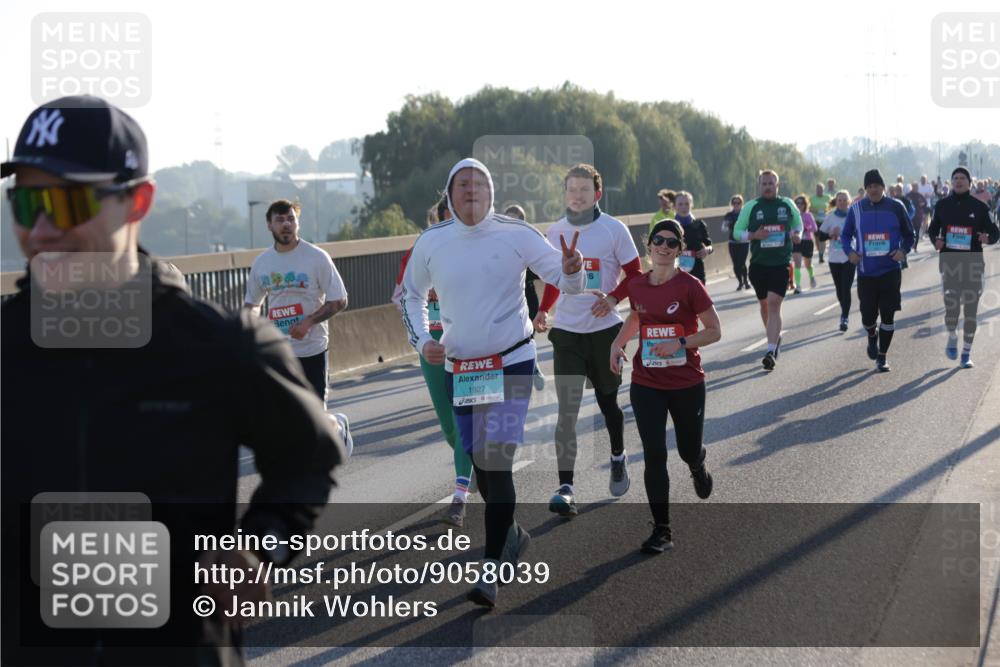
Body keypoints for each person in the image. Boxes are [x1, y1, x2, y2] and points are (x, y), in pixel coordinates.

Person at [0, 96, 344, 665]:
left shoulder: (218, 346)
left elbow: (310, 456)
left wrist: (259, 550)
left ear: (138, 201)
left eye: (67, 202)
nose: (40, 229)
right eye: (26, 201)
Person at [400, 157, 585, 608]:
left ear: (491, 193)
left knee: (496, 463)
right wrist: (423, 340)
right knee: (482, 470)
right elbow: (410, 295)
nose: (470, 191)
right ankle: (514, 536)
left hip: (511, 361)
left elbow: (568, 283)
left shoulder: (516, 234)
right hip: (461, 370)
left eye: (478, 184)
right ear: (449, 193)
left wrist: (574, 267)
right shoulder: (432, 242)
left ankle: (491, 571)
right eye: (461, 184)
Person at [532, 164, 642, 516]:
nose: (576, 195)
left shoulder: (613, 230)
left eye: (584, 189)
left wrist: (612, 299)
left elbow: (636, 275)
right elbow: (552, 278)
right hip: (566, 332)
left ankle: (617, 456)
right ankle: (566, 487)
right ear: (565, 194)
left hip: (605, 332)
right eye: (571, 189)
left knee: (609, 404)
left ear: (597, 193)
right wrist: (543, 310)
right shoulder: (555, 232)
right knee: (566, 411)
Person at [609, 219, 721, 553]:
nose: (664, 246)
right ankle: (662, 529)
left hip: (687, 381)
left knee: (687, 449)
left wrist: (681, 343)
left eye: (671, 243)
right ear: (649, 244)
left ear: (680, 249)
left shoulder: (690, 286)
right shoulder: (637, 286)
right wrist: (618, 345)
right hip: (647, 382)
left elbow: (715, 330)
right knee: (654, 455)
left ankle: (697, 464)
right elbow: (636, 317)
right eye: (658, 240)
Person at [392, 196, 475, 527]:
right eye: (443, 219)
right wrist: (422, 339)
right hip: (432, 350)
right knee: (450, 430)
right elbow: (401, 297)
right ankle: (473, 464)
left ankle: (459, 495)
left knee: (464, 422)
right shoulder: (420, 252)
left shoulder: (476, 251)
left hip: (469, 348)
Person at [244, 200, 348, 403]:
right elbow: (253, 305)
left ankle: (339, 429)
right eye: (280, 220)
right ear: (269, 225)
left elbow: (339, 300)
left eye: (291, 219)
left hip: (312, 350)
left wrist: (307, 322)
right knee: (284, 417)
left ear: (297, 223)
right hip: (278, 353)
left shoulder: (317, 257)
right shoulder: (262, 263)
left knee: (316, 415)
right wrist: (248, 333)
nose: (286, 224)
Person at [840, 169, 914, 372]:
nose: (873, 189)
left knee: (888, 315)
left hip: (890, 270)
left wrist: (903, 250)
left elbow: (910, 234)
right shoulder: (856, 209)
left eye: (877, 185)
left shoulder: (896, 207)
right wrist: (850, 252)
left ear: (883, 187)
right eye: (870, 186)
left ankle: (882, 356)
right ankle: (872, 335)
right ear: (866, 189)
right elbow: (845, 236)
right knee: (867, 317)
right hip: (866, 273)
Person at [927, 167, 1000, 368]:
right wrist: (936, 241)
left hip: (973, 265)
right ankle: (952, 335)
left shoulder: (980, 207)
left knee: (970, 311)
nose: (958, 181)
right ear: (951, 182)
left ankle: (966, 354)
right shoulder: (942, 206)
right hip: (949, 264)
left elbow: (995, 232)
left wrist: (988, 238)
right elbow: (932, 229)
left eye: (962, 178)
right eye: (955, 178)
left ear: (969, 183)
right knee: (952, 310)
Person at [732, 170, 803, 370]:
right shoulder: (751, 207)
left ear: (777, 185)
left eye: (771, 183)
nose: (768, 187)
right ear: (760, 186)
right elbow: (737, 233)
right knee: (764, 305)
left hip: (781, 263)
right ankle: (774, 337)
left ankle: (770, 350)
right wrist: (753, 235)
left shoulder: (787, 204)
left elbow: (798, 223)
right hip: (758, 265)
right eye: (764, 184)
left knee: (773, 304)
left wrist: (797, 233)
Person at [504, 204, 547, 391]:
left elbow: (544, 270)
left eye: (516, 219)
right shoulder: (495, 242)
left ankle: (533, 366)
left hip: (527, 299)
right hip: (504, 302)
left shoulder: (530, 241)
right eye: (508, 219)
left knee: (527, 337)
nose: (512, 223)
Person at [820, 190, 857, 331]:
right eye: (839, 200)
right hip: (834, 258)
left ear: (849, 202)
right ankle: (844, 311)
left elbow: (860, 233)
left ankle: (844, 317)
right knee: (839, 289)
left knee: (845, 288)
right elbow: (821, 236)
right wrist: (831, 234)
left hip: (849, 257)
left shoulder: (853, 216)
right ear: (836, 202)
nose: (841, 202)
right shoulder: (831, 217)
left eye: (844, 200)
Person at [671, 190, 713, 284]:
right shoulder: (671, 226)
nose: (684, 207)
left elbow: (710, 246)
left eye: (687, 203)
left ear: (692, 204)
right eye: (680, 204)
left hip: (697, 271)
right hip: (676, 272)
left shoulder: (699, 224)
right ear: (674, 206)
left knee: (700, 298)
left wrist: (706, 250)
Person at [720, 194, 750, 290]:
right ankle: (740, 282)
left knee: (741, 262)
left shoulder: (745, 214)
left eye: (738, 202)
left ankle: (746, 280)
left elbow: (751, 226)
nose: (736, 204)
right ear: (732, 204)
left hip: (744, 242)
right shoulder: (728, 215)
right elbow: (723, 229)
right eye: (734, 203)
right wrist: (727, 226)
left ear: (742, 203)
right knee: (736, 264)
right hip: (733, 243)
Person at [792, 194, 818, 293]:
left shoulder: (808, 215)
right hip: (796, 241)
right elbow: (789, 228)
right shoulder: (792, 216)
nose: (799, 205)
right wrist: (792, 234)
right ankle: (798, 286)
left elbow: (815, 228)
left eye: (801, 203)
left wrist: (807, 229)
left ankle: (812, 277)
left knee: (808, 264)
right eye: (797, 203)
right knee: (797, 264)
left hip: (807, 241)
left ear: (805, 205)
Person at [810, 184, 830, 263]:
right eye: (818, 189)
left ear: (823, 189)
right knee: (817, 238)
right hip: (815, 220)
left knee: (823, 238)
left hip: (824, 220)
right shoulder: (812, 198)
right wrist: (814, 210)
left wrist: (827, 210)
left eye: (821, 189)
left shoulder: (827, 197)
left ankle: (821, 255)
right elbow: (808, 207)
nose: (819, 190)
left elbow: (832, 206)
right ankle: (820, 252)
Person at [906, 182, 929, 251]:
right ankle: (909, 245)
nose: (915, 188)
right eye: (914, 187)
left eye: (916, 187)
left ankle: (915, 247)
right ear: (912, 187)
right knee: (910, 231)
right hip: (910, 216)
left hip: (918, 216)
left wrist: (923, 205)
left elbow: (925, 203)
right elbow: (904, 204)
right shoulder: (908, 195)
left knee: (917, 231)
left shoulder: (920, 195)